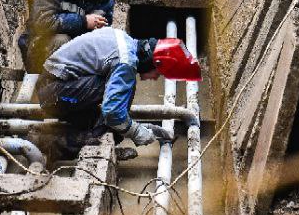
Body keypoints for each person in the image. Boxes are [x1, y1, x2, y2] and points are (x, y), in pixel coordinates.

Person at [37, 27, 201, 158]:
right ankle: (51, 144)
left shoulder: (124, 40)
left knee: (114, 117)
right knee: (117, 103)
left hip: (60, 87)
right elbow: (113, 112)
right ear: (154, 63)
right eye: (158, 73)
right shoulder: (126, 62)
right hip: (53, 93)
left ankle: (91, 136)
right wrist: (137, 132)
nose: (155, 78)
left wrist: (142, 126)